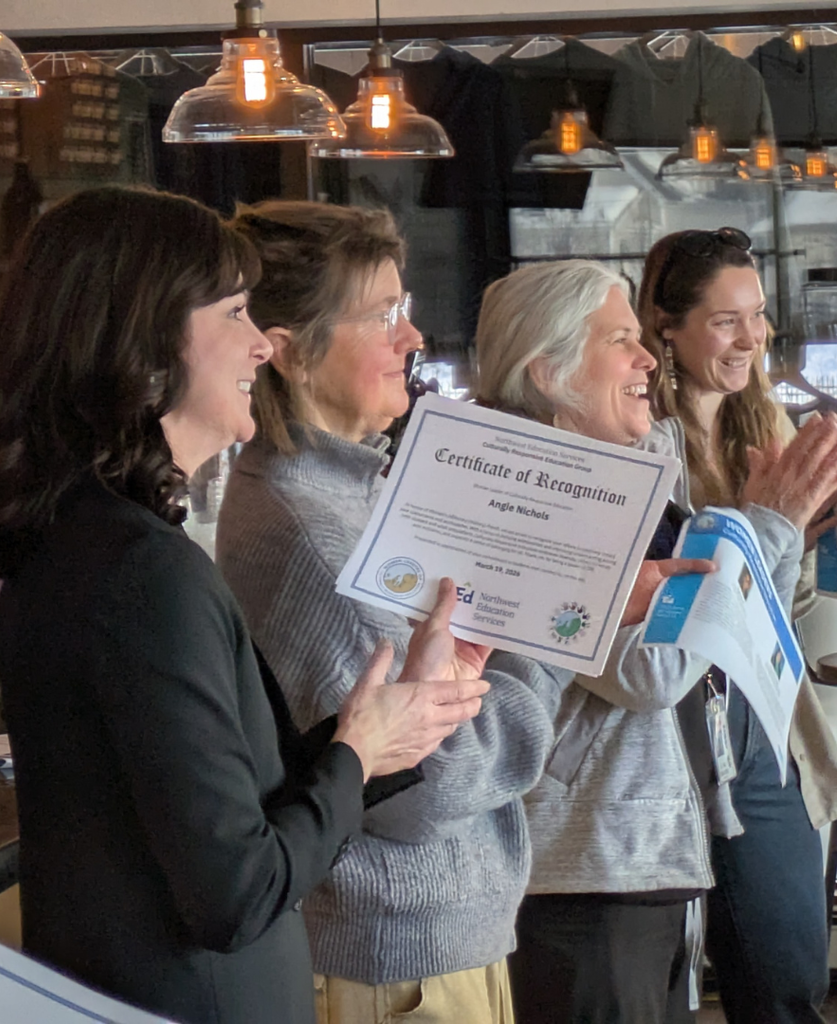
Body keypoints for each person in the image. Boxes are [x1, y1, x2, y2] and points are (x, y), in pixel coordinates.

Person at [0, 186, 488, 1024]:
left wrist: (379, 729)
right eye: (233, 313)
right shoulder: (137, 570)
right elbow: (237, 891)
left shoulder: (88, 538)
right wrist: (359, 753)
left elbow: (224, 801)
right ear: (143, 342)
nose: (261, 344)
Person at [473, 259, 837, 1024]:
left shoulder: (636, 467)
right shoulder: (538, 491)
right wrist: (763, 526)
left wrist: (766, 534)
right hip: (589, 866)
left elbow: (743, 635)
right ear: (548, 373)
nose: (648, 357)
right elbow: (650, 674)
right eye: (621, 340)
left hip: (653, 841)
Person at [215, 201, 565, 1024]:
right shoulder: (310, 528)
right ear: (292, 352)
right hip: (396, 958)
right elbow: (427, 787)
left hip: (430, 939)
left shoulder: (348, 491)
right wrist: (548, 631)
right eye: (383, 316)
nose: (412, 339)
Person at [638, 227, 837, 1024]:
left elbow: (782, 614)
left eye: (758, 315)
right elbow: (677, 613)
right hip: (672, 729)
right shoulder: (644, 442)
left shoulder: (762, 426)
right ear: (668, 328)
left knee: (788, 966)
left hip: (762, 727)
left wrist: (808, 540)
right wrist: (768, 527)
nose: (752, 337)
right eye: (727, 320)